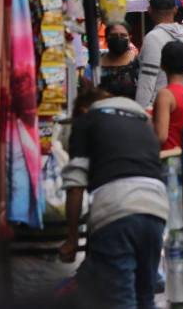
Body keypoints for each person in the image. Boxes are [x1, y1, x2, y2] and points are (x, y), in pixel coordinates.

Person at [59, 90, 168, 308]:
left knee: (120, 299)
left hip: (116, 211)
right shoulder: (141, 123)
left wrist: (72, 239)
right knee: (145, 295)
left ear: (82, 109)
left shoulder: (86, 121)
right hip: (156, 210)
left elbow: (75, 185)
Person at [135, 0, 183, 109]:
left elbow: (147, 82)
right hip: (182, 108)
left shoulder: (153, 38)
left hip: (158, 110)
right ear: (175, 9)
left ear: (150, 10)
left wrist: (140, 114)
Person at [98, 21, 140, 99]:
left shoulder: (138, 63)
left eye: (123, 35)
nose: (118, 38)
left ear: (130, 38)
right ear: (106, 38)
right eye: (113, 35)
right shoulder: (95, 65)